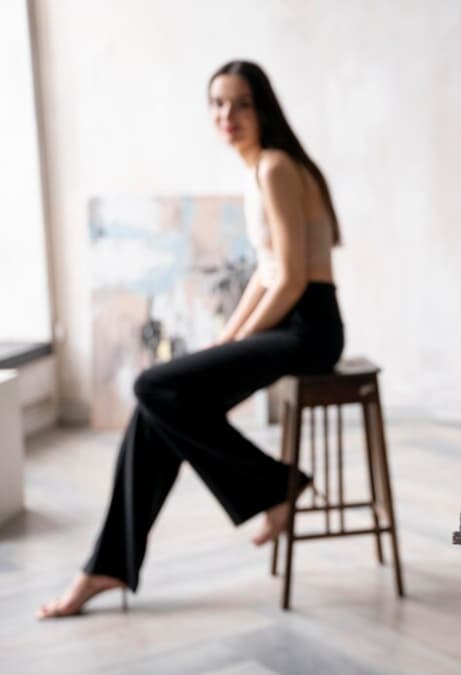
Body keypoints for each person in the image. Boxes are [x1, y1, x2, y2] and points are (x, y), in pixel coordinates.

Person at [38, 60, 344, 618]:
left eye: (241, 104)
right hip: (289, 320)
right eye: (218, 104)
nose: (228, 116)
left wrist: (235, 342)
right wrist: (226, 339)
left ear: (263, 108)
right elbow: (264, 272)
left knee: (152, 385)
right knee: (153, 415)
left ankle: (276, 487)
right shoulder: (258, 170)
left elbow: (294, 280)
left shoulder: (275, 167)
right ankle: (105, 567)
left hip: (310, 328)